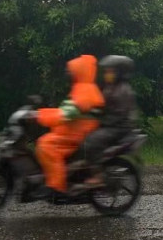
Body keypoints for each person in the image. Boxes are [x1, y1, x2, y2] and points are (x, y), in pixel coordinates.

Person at [34, 54, 105, 196]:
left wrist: (40, 116)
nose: (68, 74)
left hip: (75, 134)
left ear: (78, 72)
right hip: (73, 131)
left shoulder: (85, 91)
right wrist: (41, 112)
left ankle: (56, 185)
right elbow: (66, 110)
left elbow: (66, 114)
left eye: (70, 71)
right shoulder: (83, 87)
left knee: (45, 145)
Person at [81, 55, 138, 187]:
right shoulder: (111, 87)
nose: (107, 74)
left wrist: (101, 119)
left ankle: (98, 175)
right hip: (112, 124)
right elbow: (104, 106)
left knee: (91, 140)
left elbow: (118, 115)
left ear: (119, 72)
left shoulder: (123, 90)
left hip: (119, 128)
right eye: (107, 71)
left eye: (111, 71)